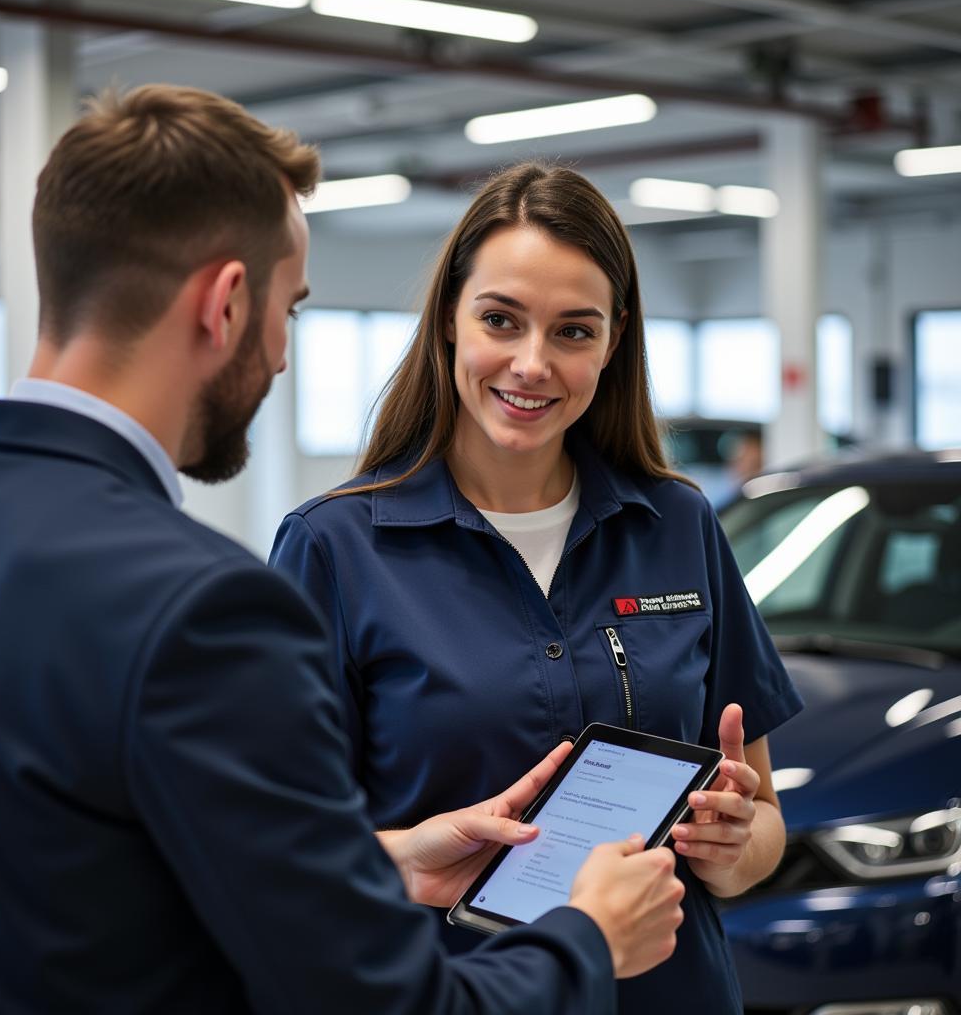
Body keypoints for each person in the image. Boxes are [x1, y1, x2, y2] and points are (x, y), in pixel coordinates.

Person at [0, 90, 687, 1013]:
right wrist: (587, 939)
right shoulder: (199, 608)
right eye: (290, 309)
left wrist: (386, 861)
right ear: (226, 304)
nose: (287, 356)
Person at [271, 163, 805, 1014]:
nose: (532, 364)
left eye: (573, 332)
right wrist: (406, 851)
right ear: (450, 317)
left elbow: (764, 830)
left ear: (615, 338)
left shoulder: (678, 525)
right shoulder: (333, 549)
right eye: (500, 320)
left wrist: (735, 846)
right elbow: (271, 855)